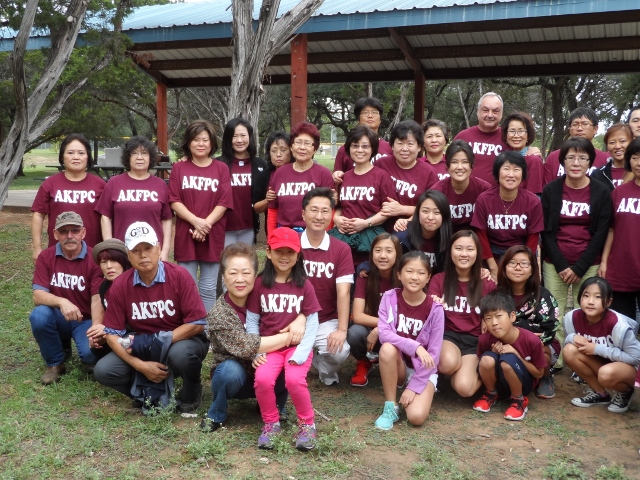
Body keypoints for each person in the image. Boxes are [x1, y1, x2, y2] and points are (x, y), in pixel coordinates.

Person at [94, 222, 209, 414]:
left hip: (179, 341)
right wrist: (140, 365)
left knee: (181, 355)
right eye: (136, 250)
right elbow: (112, 335)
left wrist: (158, 342)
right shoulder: (120, 285)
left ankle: (192, 391)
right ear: (128, 255)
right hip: (141, 346)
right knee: (104, 370)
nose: (143, 255)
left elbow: (196, 324)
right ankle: (144, 393)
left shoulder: (180, 276)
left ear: (158, 248)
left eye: (148, 248)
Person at [203, 243, 306, 432]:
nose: (240, 279)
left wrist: (302, 317)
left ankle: (273, 405)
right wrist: (292, 336)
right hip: (239, 377)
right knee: (228, 372)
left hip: (268, 368)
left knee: (288, 361)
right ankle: (217, 413)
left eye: (246, 273)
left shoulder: (270, 296)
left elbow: (302, 304)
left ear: (255, 275)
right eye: (233, 273)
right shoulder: (219, 313)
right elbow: (249, 345)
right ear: (223, 276)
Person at [246, 227, 321, 451]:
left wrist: (302, 353)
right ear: (269, 252)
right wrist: (257, 350)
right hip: (269, 347)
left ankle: (307, 425)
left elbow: (312, 322)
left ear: (298, 255)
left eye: (290, 252)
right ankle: (271, 423)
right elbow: (252, 320)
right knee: (262, 380)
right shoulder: (260, 284)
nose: (285, 256)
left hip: (297, 348)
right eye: (279, 251)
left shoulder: (304, 285)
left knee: (294, 380)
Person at [541, 136, 611, 369]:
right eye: (571, 157)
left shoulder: (601, 192)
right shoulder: (551, 190)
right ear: (563, 161)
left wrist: (580, 266)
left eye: (582, 158)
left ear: (590, 162)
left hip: (589, 262)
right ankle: (557, 360)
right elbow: (546, 232)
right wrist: (561, 265)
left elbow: (601, 232)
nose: (576, 162)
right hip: (555, 262)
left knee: (589, 312)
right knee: (555, 311)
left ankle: (583, 362)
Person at [29, 211, 103, 385]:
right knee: (39, 315)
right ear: (55, 234)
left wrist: (96, 327)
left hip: (85, 318)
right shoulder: (46, 257)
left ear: (83, 232)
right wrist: (62, 301)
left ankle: (81, 351)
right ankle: (55, 363)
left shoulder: (95, 258)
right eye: (64, 231)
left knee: (90, 356)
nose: (70, 236)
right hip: (58, 316)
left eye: (75, 230)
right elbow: (38, 295)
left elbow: (97, 298)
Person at [374, 251, 445, 430]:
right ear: (399, 274)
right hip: (399, 364)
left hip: (423, 369)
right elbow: (384, 334)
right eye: (409, 271)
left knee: (416, 417)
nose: (414, 277)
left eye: (421, 273)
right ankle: (390, 407)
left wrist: (413, 387)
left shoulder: (435, 309)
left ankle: (414, 389)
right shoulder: (389, 298)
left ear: (428, 277)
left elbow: (434, 356)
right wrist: (416, 347)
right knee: (387, 348)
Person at [168, 119, 233, 312]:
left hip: (212, 234)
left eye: (205, 140)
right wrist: (196, 222)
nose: (201, 144)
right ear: (188, 142)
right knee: (186, 287)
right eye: (196, 139)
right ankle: (190, 325)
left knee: (208, 288)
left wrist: (205, 225)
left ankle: (206, 328)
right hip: (186, 234)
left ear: (212, 143)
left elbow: (224, 201)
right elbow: (174, 200)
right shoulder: (179, 168)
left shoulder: (221, 168)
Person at [428, 230, 496, 398]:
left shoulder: (487, 283)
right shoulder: (438, 280)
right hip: (448, 336)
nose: (464, 254)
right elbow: (428, 313)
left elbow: (495, 315)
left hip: (474, 341)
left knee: (464, 388)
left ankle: (468, 374)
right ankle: (454, 370)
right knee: (447, 363)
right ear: (450, 251)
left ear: (477, 253)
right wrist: (433, 303)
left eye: (470, 249)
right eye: (458, 248)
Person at [300, 188, 354, 386]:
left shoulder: (341, 249)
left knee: (339, 352)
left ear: (331, 215)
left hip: (326, 318)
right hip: (295, 318)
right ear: (303, 213)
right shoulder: (292, 245)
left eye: (325, 211)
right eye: (314, 210)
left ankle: (322, 365)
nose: (319, 216)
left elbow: (343, 291)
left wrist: (341, 330)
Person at [563, 277, 640, 413]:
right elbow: (568, 340)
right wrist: (572, 337)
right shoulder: (572, 317)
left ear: (608, 302)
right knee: (569, 350)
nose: (591, 301)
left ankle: (625, 392)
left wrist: (597, 349)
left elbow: (636, 358)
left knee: (606, 374)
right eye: (586, 295)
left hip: (627, 368)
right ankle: (600, 394)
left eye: (598, 297)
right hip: (602, 364)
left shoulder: (617, 325)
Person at [497, 245, 560, 399]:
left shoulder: (543, 295)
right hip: (506, 344)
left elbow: (548, 329)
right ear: (504, 267)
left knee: (541, 349)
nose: (518, 267)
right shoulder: (497, 295)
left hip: (540, 344)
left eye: (524, 263)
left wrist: (514, 329)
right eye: (512, 263)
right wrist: (526, 330)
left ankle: (545, 377)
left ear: (532, 269)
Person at [95, 136, 172, 261]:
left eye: (144, 153)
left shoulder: (160, 185)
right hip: (122, 252)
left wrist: (165, 250)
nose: (139, 157)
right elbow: (105, 217)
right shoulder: (114, 183)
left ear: (151, 157)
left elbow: (167, 219)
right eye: (134, 153)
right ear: (127, 157)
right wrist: (110, 247)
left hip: (151, 252)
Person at [473, 291, 546, 421]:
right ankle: (491, 394)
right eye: (488, 318)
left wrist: (517, 355)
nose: (494, 322)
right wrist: (493, 354)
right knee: (487, 359)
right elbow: (480, 365)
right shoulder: (484, 339)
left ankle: (518, 400)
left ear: (512, 316)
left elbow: (539, 374)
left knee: (508, 361)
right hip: (498, 383)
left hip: (523, 384)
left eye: (499, 316)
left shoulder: (531, 340)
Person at [32, 133, 105, 261]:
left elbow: (107, 218)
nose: (76, 157)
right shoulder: (50, 184)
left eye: (81, 153)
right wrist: (37, 247)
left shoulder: (100, 184)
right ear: (62, 156)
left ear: (88, 156)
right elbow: (38, 215)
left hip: (92, 254)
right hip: (58, 253)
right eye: (70, 153)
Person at [472, 151, 543, 281]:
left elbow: (533, 237)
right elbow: (481, 234)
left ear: (523, 174)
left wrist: (522, 264)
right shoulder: (484, 199)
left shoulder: (533, 202)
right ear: (497, 172)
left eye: (516, 170)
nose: (511, 174)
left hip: (521, 255)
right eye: (506, 169)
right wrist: (493, 268)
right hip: (491, 256)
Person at [330, 125, 397, 266]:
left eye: (365, 146)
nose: (360, 150)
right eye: (355, 145)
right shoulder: (344, 177)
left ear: (372, 149)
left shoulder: (381, 176)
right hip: (344, 237)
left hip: (370, 238)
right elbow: (340, 206)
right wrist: (336, 218)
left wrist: (366, 223)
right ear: (349, 148)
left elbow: (388, 211)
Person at [348, 233, 402, 387]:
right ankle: (363, 361)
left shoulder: (404, 276)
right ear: (372, 254)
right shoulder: (365, 275)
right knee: (354, 333)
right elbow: (358, 316)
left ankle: (400, 363)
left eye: (389, 251)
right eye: (378, 250)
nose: (383, 256)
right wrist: (380, 325)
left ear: (397, 254)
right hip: (369, 328)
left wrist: (381, 328)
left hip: (397, 329)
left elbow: (406, 315)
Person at [598, 137, 640, 319]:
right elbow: (611, 230)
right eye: (635, 158)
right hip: (621, 271)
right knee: (622, 327)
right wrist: (604, 262)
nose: (639, 163)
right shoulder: (619, 192)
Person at [267, 122, 334, 234]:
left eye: (307, 143)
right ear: (291, 147)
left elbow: (329, 211)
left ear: (315, 149)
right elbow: (273, 209)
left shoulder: (323, 174)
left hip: (313, 235)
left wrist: (325, 237)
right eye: (298, 142)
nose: (302, 147)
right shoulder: (280, 173)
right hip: (283, 235)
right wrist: (271, 237)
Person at [376, 120, 438, 230]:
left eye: (410, 144)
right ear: (392, 146)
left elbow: (434, 207)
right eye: (400, 143)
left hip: (412, 227)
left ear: (419, 147)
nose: (405, 149)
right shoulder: (381, 164)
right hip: (378, 225)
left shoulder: (429, 173)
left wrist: (402, 209)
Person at [219, 118, 269, 245]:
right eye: (234, 136)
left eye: (243, 135)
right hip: (224, 227)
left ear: (250, 137)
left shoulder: (260, 165)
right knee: (228, 258)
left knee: (246, 257)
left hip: (249, 228)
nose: (239, 140)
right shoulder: (218, 164)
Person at [431, 140, 492, 232]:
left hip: (475, 237)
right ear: (447, 165)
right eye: (454, 162)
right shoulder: (437, 192)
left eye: (465, 162)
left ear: (472, 165)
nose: (459, 167)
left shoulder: (484, 189)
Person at [332, 97, 393, 185]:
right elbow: (337, 178)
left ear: (380, 120)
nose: (370, 116)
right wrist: (337, 176)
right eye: (365, 112)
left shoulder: (390, 148)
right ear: (358, 119)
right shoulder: (345, 149)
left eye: (374, 112)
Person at [543, 107, 610, 185]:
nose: (579, 128)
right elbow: (547, 188)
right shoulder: (553, 157)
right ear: (569, 129)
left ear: (595, 128)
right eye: (575, 124)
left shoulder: (605, 159)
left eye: (585, 124)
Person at [90, 238, 132, 358]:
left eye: (114, 260)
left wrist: (109, 330)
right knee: (96, 348)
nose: (109, 266)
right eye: (104, 262)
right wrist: (98, 335)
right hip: (118, 333)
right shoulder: (104, 287)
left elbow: (137, 323)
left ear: (124, 261)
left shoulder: (133, 285)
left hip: (138, 334)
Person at [393, 190, 452, 274]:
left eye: (436, 212)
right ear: (417, 213)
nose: (430, 217)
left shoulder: (450, 242)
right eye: (425, 211)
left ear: (444, 216)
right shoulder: (401, 238)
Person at [454, 92, 506, 185]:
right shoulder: (463, 137)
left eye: (495, 111)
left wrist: (531, 150)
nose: (490, 115)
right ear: (477, 112)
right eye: (485, 110)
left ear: (501, 114)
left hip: (498, 193)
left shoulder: (508, 138)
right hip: (466, 193)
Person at [254, 130, 292, 231]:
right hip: (274, 229)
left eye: (283, 150)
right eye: (274, 151)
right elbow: (256, 208)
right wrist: (267, 200)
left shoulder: (300, 173)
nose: (278, 154)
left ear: (291, 151)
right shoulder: (264, 176)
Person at [500, 111, 544, 195]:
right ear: (506, 135)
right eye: (512, 131)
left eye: (521, 131)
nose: (516, 135)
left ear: (528, 135)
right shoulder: (503, 157)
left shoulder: (533, 160)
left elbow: (534, 196)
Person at [591, 123, 634, 190]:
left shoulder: (637, 171)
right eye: (612, 142)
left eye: (622, 141)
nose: (617, 146)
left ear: (632, 142)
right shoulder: (598, 174)